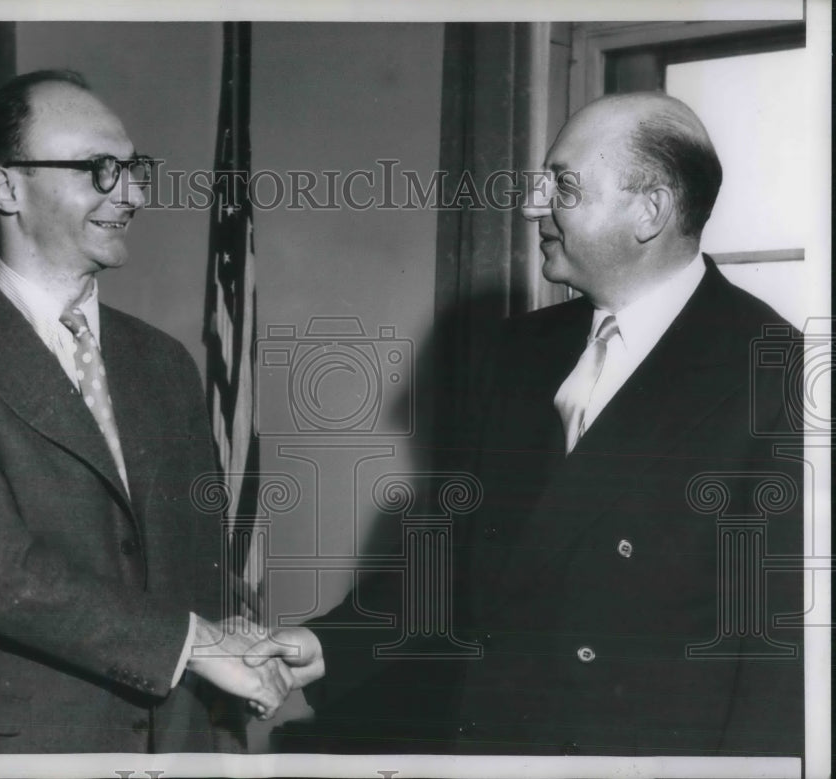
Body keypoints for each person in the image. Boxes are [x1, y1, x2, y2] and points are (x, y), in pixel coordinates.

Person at [246, 92, 804, 757]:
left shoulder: (773, 370)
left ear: (648, 210)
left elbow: (780, 662)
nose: (532, 204)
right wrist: (328, 643)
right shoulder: (517, 353)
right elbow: (454, 555)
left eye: (562, 185)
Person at [0, 69, 292, 754]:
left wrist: (231, 687)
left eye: (134, 169)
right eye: (100, 169)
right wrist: (198, 643)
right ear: (6, 187)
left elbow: (203, 568)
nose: (132, 194)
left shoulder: (165, 360)